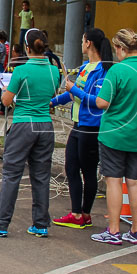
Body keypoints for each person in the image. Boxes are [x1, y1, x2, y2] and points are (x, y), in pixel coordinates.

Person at [0, 29, 62, 238]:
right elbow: (52, 94)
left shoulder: (21, 71)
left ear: (26, 48)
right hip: (45, 125)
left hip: (24, 123)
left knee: (11, 175)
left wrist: (12, 94)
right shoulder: (54, 71)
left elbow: (6, 100)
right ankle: (41, 223)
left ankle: (1, 223)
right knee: (42, 176)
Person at [91, 29, 137, 246]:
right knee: (135, 182)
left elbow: (102, 102)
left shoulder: (117, 70)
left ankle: (113, 230)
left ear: (120, 48)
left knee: (114, 181)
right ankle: (135, 230)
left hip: (115, 133)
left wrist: (84, 94)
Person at [50, 28, 114, 229]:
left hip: (91, 127)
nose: (80, 44)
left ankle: (81, 213)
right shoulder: (86, 67)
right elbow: (72, 95)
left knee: (86, 170)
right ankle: (79, 213)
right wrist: (52, 102)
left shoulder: (104, 70)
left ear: (89, 43)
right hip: (79, 125)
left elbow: (96, 101)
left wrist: (73, 89)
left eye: (82, 40)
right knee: (72, 167)